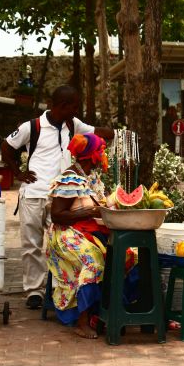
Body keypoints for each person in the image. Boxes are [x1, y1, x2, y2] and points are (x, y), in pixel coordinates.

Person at [1, 85, 113, 310]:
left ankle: (57, 289)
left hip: (60, 197)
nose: (76, 109)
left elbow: (99, 132)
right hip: (33, 194)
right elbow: (6, 146)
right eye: (74, 106)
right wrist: (18, 172)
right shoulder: (32, 126)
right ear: (62, 106)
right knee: (31, 245)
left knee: (59, 244)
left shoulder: (74, 124)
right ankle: (34, 291)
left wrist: (116, 133)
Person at [46, 133, 110, 339]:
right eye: (101, 151)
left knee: (126, 255)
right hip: (65, 234)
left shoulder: (91, 177)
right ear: (90, 155)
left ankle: (101, 313)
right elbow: (57, 214)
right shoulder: (70, 178)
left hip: (86, 231)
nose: (103, 155)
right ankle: (81, 321)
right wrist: (90, 212)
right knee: (93, 260)